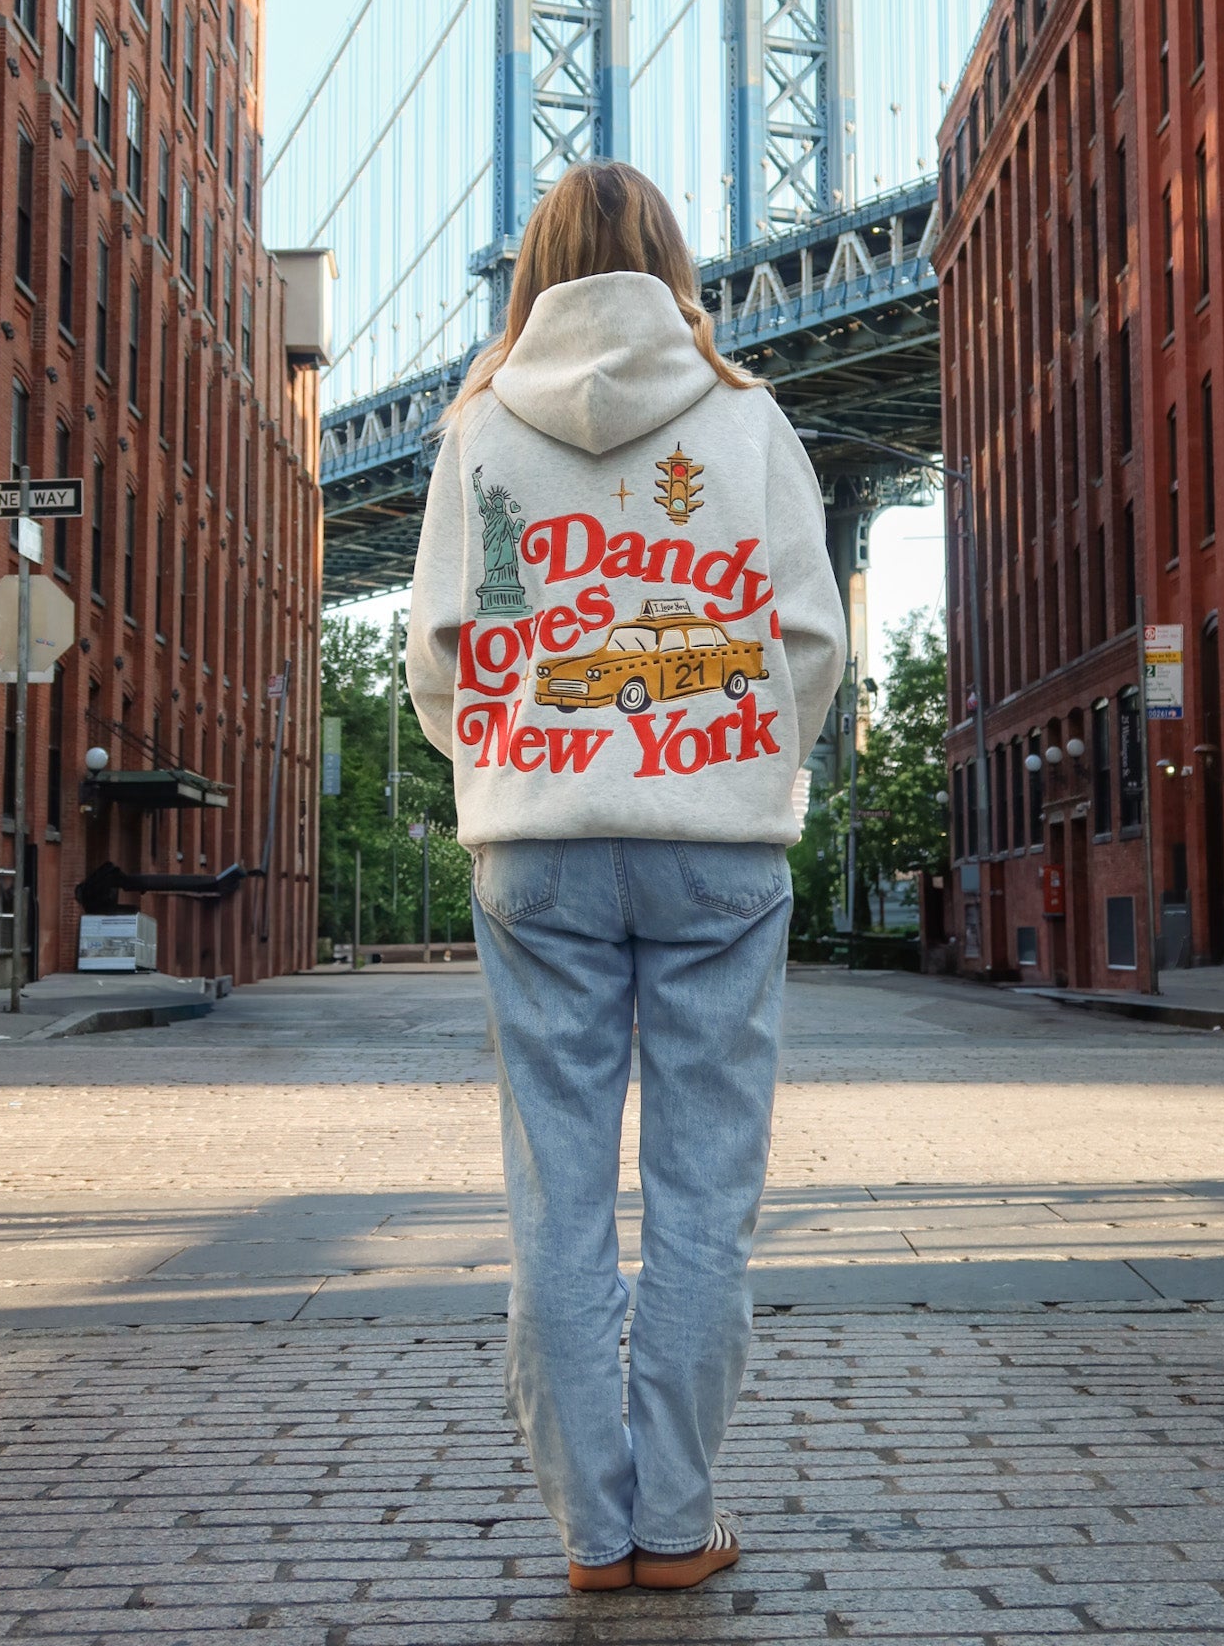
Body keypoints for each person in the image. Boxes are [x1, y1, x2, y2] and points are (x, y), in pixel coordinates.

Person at [406, 159, 846, 1593]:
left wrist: (511, 769)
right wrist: (737, 764)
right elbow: (808, 643)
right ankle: (677, 1522)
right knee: (707, 1192)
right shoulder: (745, 414)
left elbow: (438, 654)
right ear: (670, 261)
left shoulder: (476, 427)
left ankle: (593, 1538)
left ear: (531, 270)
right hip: (715, 844)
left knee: (558, 1196)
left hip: (534, 844)